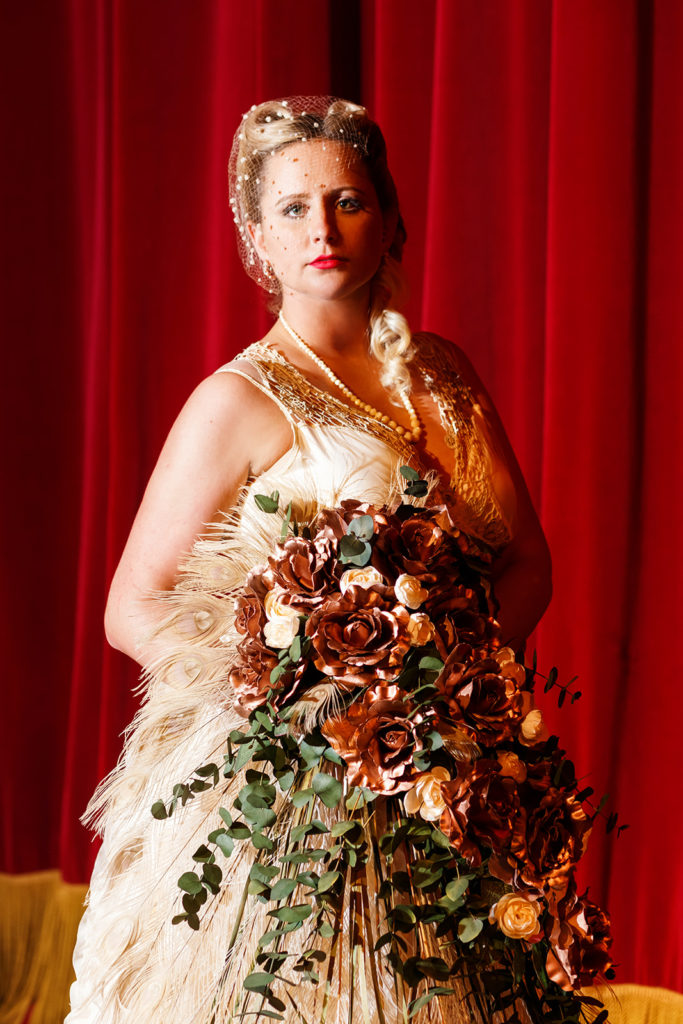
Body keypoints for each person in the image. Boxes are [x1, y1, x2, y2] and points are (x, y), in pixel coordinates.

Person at [66, 96, 552, 1024]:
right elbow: (132, 605)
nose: (320, 228)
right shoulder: (237, 398)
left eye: (346, 200)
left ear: (390, 217)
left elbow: (527, 563)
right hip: (286, 783)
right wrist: (289, 700)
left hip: (437, 766)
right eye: (292, 208)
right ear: (257, 234)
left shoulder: (443, 374)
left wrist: (442, 687)